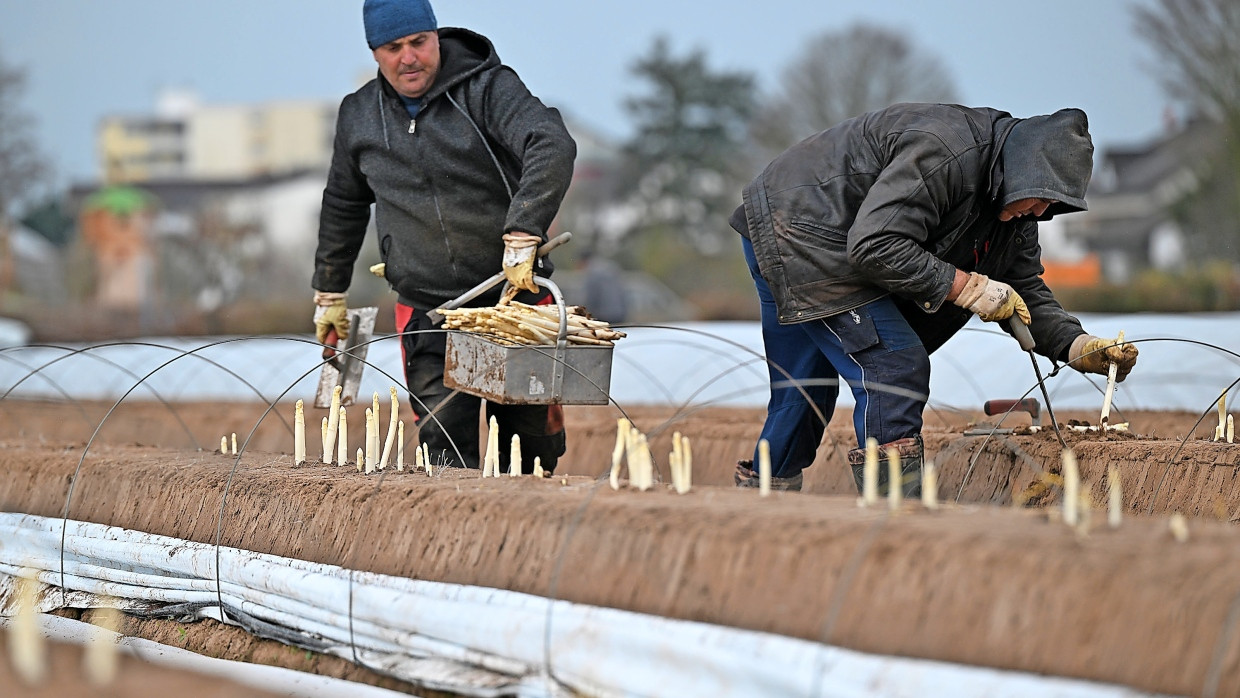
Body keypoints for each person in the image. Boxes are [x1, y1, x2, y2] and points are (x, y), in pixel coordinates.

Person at [730, 104, 1138, 494]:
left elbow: (1024, 289)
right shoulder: (945, 154)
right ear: (1022, 171)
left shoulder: (1016, 213)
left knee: (808, 382)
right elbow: (875, 243)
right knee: (892, 364)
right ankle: (892, 508)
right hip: (804, 228)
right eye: (1042, 195)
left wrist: (1077, 345)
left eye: (1054, 204)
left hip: (782, 223)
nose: (1042, 209)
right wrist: (968, 288)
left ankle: (765, 493)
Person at [312, 0, 577, 473]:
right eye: (393, 48)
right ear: (375, 52)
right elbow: (344, 203)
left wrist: (523, 229)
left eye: (418, 42)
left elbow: (551, 143)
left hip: (514, 304)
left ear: (436, 37)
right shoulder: (359, 116)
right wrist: (330, 290)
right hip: (429, 312)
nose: (409, 57)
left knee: (528, 453)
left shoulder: (489, 89)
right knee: (443, 454)